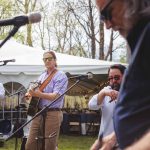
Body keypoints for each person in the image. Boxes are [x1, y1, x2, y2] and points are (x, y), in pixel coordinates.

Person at [96, 0, 150, 149]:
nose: (107, 25)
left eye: (107, 13)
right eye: (102, 18)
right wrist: (113, 138)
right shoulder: (139, 40)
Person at [25, 51, 68, 150]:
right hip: (38, 112)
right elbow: (35, 90)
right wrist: (29, 94)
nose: (47, 61)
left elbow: (56, 96)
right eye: (45, 59)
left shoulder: (61, 75)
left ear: (55, 60)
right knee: (30, 145)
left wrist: (39, 94)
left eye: (49, 59)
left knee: (49, 145)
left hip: (53, 113)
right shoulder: (42, 75)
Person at [88, 64, 126, 150]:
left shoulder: (133, 92)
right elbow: (91, 105)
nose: (113, 81)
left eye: (116, 77)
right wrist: (103, 93)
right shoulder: (106, 90)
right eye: (110, 78)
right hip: (106, 141)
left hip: (127, 142)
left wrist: (120, 96)